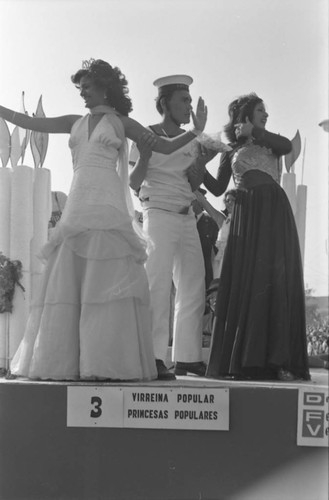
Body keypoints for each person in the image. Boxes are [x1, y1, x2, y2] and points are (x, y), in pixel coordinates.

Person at [1, 59, 207, 381]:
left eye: (87, 87)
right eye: (80, 88)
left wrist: (195, 130)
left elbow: (164, 146)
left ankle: (106, 362)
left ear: (105, 86)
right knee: (70, 278)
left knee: (108, 279)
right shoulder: (74, 121)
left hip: (108, 202)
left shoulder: (122, 123)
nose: (82, 93)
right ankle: (69, 361)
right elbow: (31, 123)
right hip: (80, 201)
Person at [202, 92, 310, 381]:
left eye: (266, 111)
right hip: (247, 215)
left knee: (273, 277)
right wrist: (198, 165)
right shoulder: (230, 150)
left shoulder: (270, 141)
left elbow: (287, 146)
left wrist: (257, 132)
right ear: (246, 114)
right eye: (261, 110)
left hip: (274, 212)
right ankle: (244, 360)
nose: (266, 114)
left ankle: (275, 359)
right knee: (248, 279)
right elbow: (216, 187)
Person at [129, 75, 207, 380]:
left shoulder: (193, 139)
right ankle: (154, 357)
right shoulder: (147, 135)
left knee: (193, 285)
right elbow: (134, 182)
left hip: (187, 215)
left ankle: (187, 357)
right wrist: (146, 157)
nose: (189, 106)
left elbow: (194, 182)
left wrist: (201, 166)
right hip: (158, 214)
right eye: (183, 100)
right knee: (158, 286)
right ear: (165, 104)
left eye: (190, 100)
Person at [191, 188, 219, 290]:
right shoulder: (181, 221)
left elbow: (217, 252)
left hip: (205, 276)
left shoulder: (211, 222)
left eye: (193, 199)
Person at [212, 189, 237, 280]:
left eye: (233, 200)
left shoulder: (244, 222)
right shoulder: (225, 221)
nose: (229, 203)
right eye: (227, 200)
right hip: (222, 260)